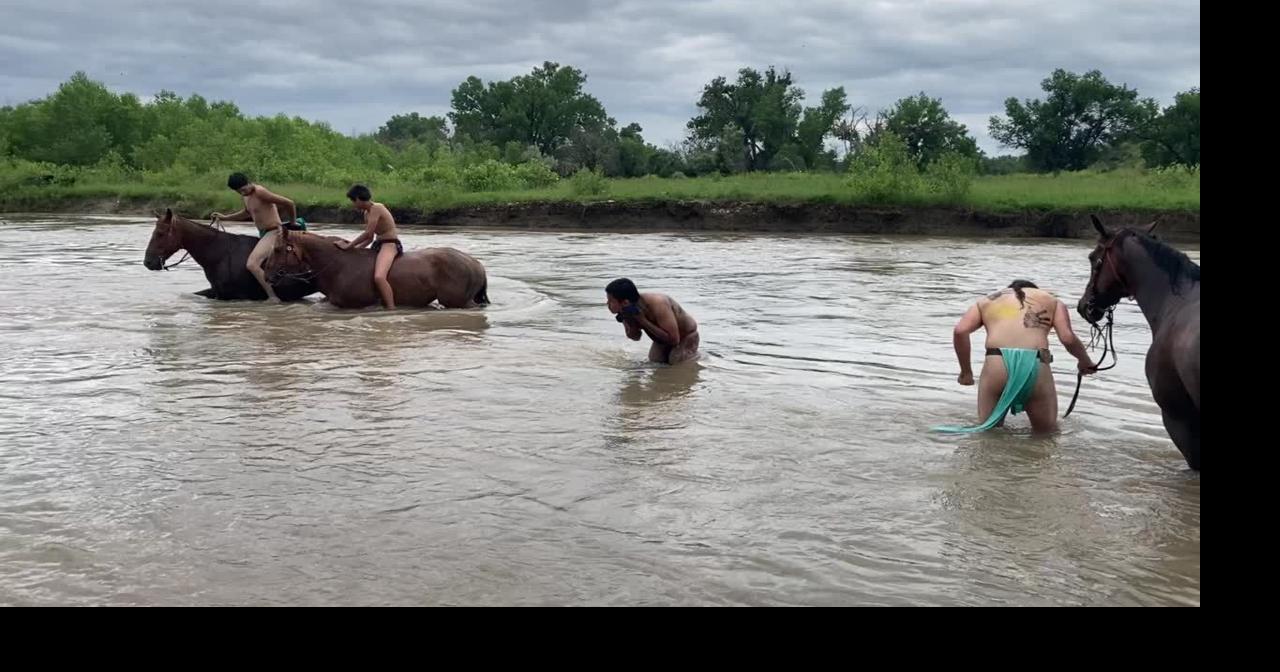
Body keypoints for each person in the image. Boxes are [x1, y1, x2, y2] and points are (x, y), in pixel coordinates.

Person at [937, 280, 1096, 434]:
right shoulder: (1052, 301)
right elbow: (1067, 338)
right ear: (1034, 290)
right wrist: (1085, 361)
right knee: (1046, 435)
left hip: (997, 363)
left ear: (1009, 289)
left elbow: (960, 331)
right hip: (1036, 364)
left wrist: (966, 373)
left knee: (989, 434)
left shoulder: (985, 301)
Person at [211, 172, 299, 302]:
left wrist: (292, 223)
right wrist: (225, 217)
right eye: (239, 192)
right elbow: (246, 213)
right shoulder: (246, 196)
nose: (242, 193)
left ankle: (273, 297)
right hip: (263, 234)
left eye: (243, 189)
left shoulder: (260, 192)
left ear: (248, 182)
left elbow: (289, 203)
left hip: (274, 231)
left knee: (252, 264)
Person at [334, 184, 402, 310]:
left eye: (353, 201)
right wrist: (355, 250)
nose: (353, 205)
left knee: (379, 277)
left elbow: (368, 233)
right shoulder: (366, 213)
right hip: (378, 244)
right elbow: (370, 239)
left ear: (358, 199)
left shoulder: (377, 208)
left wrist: (349, 246)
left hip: (390, 244)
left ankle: (391, 308)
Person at [605, 278, 699, 364]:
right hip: (661, 339)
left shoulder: (658, 303)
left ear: (625, 302)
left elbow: (674, 340)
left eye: (610, 301)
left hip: (686, 336)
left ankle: (699, 358)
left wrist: (643, 321)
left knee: (675, 360)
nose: (607, 304)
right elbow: (635, 337)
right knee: (655, 361)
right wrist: (630, 322)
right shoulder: (626, 309)